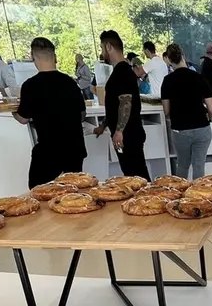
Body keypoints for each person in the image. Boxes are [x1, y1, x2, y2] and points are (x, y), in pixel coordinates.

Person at [13, 37, 87, 189]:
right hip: (74, 147)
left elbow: (22, 119)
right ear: (55, 57)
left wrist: (13, 111)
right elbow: (82, 114)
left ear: (33, 58)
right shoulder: (70, 82)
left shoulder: (30, 86)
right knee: (74, 191)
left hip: (49, 149)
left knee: (37, 190)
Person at [94, 30, 149, 180]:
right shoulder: (120, 72)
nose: (102, 52)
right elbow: (115, 105)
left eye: (102, 48)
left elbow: (126, 102)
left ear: (109, 47)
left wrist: (119, 131)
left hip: (128, 135)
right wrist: (104, 125)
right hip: (127, 133)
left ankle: (148, 201)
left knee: (137, 176)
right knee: (133, 174)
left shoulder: (122, 72)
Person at [160, 43, 212, 179]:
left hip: (180, 129)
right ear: (183, 56)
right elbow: (211, 109)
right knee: (199, 166)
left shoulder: (167, 81)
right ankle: (198, 197)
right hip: (202, 127)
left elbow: (166, 111)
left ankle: (181, 197)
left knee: (183, 165)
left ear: (168, 59)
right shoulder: (198, 77)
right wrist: (210, 118)